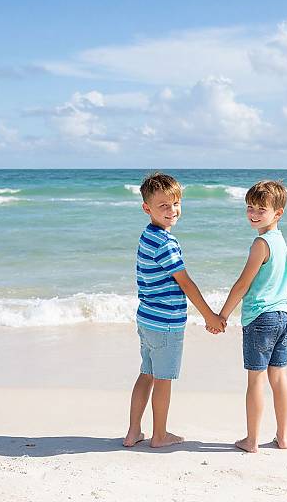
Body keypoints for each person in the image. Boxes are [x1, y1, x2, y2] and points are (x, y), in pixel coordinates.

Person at [123, 172, 226, 448]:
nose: (172, 211)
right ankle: (159, 435)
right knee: (163, 379)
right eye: (163, 206)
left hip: (146, 319)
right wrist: (210, 316)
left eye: (176, 203)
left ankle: (133, 432)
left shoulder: (148, 236)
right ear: (147, 208)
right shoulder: (165, 243)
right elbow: (186, 284)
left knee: (146, 373)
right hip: (165, 324)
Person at [211, 180, 287, 453]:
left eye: (261, 209)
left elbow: (243, 284)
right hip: (282, 316)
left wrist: (222, 315)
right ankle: (282, 436)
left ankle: (252, 440)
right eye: (250, 208)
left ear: (278, 213)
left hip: (261, 318)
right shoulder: (280, 241)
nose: (254, 213)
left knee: (256, 380)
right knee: (278, 377)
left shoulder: (261, 243)